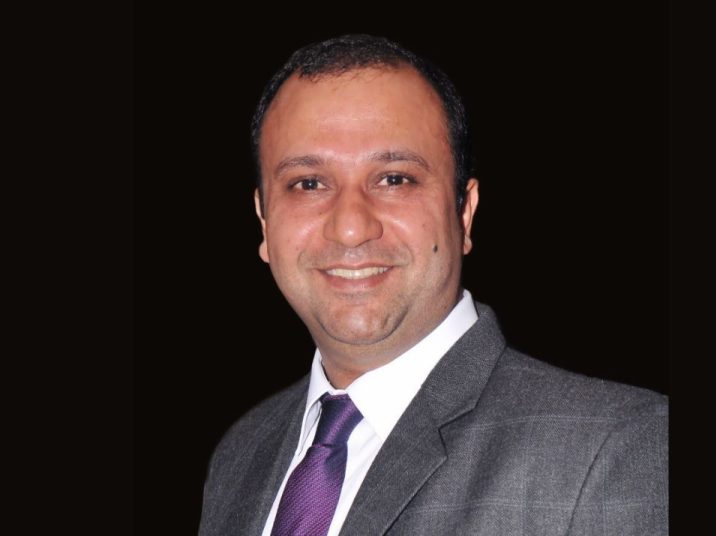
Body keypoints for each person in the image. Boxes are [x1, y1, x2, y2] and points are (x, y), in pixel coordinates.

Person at [198, 34, 668, 536]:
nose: (351, 227)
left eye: (394, 179)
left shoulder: (613, 448)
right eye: (308, 183)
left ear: (464, 213)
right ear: (264, 221)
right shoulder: (241, 454)